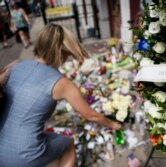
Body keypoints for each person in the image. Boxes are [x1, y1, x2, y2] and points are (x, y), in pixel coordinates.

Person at [0, 23, 122, 167]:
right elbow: (91, 115)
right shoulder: (61, 83)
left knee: (49, 144)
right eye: (68, 54)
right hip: (25, 154)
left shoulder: (15, 65)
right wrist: (114, 124)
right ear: (61, 51)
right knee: (68, 144)